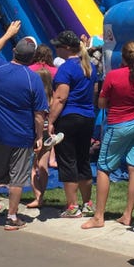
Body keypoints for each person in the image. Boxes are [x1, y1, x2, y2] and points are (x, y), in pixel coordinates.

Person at [0, 20, 47, 231]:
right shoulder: (33, 80)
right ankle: (12, 217)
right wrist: (39, 136)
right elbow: (39, 115)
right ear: (32, 58)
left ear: (14, 51)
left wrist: (8, 34)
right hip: (22, 136)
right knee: (18, 178)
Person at [81, 41, 134, 230]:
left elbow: (102, 104)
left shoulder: (113, 76)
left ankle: (99, 216)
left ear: (123, 56)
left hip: (118, 123)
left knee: (103, 167)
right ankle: (128, 214)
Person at [48, 30, 97, 217]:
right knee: (83, 159)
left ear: (66, 48)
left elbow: (60, 97)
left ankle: (72, 206)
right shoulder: (89, 66)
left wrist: (51, 121)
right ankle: (87, 203)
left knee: (67, 160)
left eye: (58, 46)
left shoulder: (66, 68)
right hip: (87, 117)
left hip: (69, 117)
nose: (56, 49)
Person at [26, 68, 56, 209]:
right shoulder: (53, 96)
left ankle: (38, 196)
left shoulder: (35, 95)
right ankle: (41, 195)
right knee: (43, 166)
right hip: (47, 133)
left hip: (35, 132)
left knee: (31, 167)